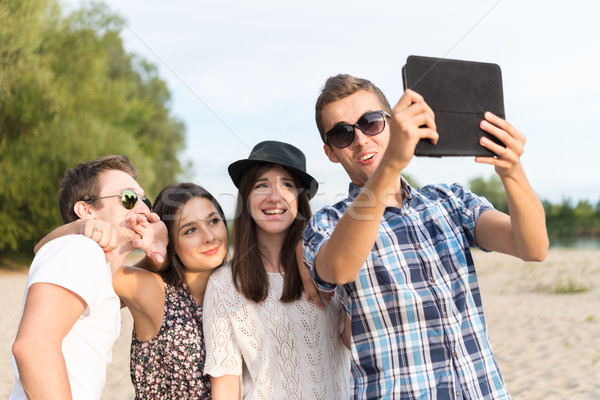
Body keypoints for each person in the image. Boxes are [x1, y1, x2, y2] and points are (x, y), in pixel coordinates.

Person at [303, 74, 549, 399]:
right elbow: (340, 267)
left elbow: (532, 246)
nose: (361, 139)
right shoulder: (325, 223)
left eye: (371, 122)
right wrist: (391, 164)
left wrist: (512, 170)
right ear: (331, 152)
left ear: (392, 124)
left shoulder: (449, 200)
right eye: (342, 133)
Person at [32, 182, 229, 399]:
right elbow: (46, 251)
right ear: (170, 241)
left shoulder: (239, 287)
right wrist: (81, 227)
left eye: (213, 221)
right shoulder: (155, 292)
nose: (209, 236)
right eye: (190, 230)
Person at [203, 140, 350, 399]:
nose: (274, 196)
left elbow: (355, 342)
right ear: (246, 198)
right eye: (261, 185)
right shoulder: (224, 283)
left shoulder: (326, 266)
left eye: (287, 185)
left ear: (299, 199)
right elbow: (226, 385)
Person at [10, 155, 152, 399]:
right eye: (128, 198)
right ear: (86, 210)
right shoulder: (80, 250)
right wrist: (77, 229)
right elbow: (33, 348)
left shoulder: (96, 267)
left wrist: (157, 248)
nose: (143, 208)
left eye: (145, 200)